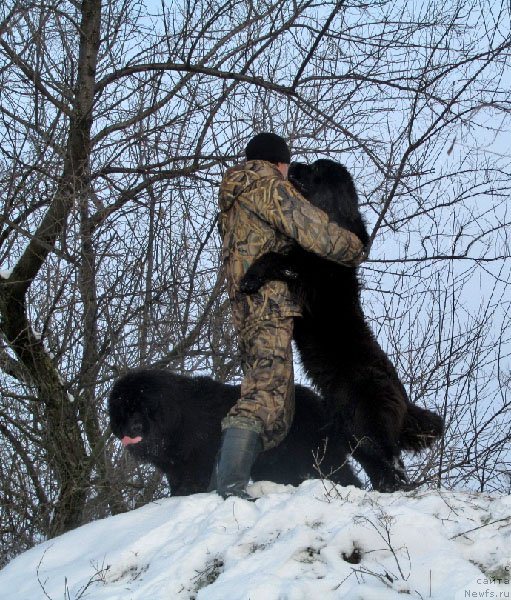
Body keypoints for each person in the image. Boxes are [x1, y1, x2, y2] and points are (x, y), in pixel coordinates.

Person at [210, 132, 366, 499]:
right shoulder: (268, 187)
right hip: (268, 304)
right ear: (278, 162)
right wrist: (354, 247)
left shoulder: (234, 195)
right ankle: (226, 489)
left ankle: (228, 483)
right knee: (264, 394)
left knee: (274, 401)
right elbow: (314, 231)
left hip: (246, 306)